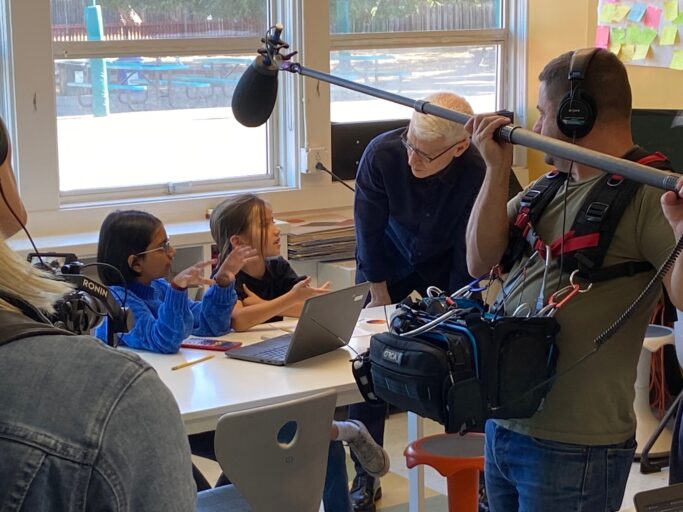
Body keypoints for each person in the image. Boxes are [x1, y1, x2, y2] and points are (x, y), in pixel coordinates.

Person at [465, 48, 683, 511]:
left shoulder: (648, 192)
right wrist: (495, 170)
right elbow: (478, 260)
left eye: (544, 113)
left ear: (576, 114)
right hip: (504, 425)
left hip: (575, 447)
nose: (538, 129)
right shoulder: (550, 186)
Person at [0, 117, 196, 509]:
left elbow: (199, 321)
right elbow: (163, 337)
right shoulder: (118, 395)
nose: (171, 253)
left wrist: (221, 287)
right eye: (162, 247)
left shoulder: (154, 290)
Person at [351, 92, 504, 511]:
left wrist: (454, 313)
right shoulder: (383, 155)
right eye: (410, 143)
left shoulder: (477, 169)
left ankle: (480, 471)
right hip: (390, 259)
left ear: (459, 148)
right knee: (366, 361)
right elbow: (367, 232)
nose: (411, 159)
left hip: (448, 264)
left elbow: (472, 251)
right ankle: (366, 471)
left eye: (424, 154)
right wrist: (379, 300)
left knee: (469, 356)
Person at [210, 194, 390, 512]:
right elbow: (238, 320)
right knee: (313, 439)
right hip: (243, 386)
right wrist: (283, 302)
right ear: (237, 241)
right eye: (265, 223)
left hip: (278, 372)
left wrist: (262, 307)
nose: (276, 228)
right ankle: (342, 431)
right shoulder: (225, 279)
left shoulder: (276, 268)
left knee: (310, 432)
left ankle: (338, 434)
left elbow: (306, 309)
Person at [95, 209, 257, 352]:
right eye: (163, 246)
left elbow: (210, 325)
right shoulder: (118, 302)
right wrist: (177, 290)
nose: (172, 252)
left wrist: (223, 282)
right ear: (136, 263)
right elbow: (164, 341)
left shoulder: (158, 287)